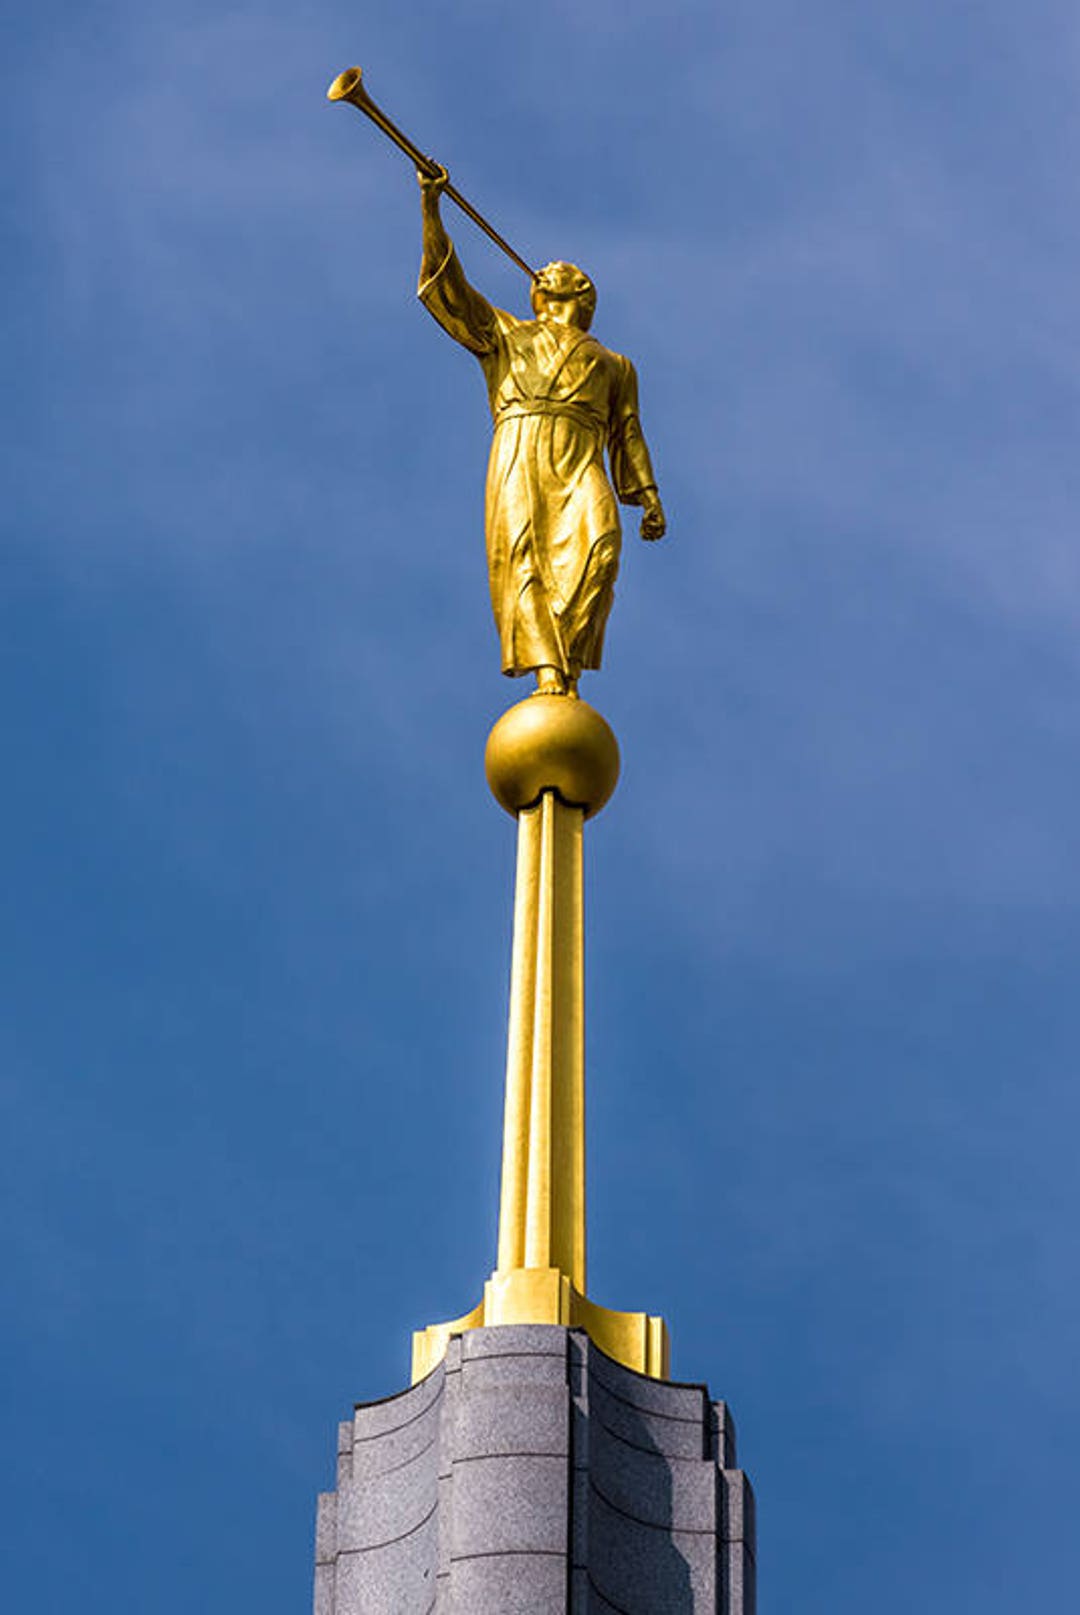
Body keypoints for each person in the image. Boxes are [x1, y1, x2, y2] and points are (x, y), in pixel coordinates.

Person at [418, 165, 666, 697]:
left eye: (560, 268)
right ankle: (551, 673)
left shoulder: (616, 364)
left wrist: (648, 495)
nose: (546, 269)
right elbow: (453, 294)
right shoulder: (508, 333)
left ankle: (570, 658)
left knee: (600, 547)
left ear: (582, 291)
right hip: (522, 444)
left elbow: (628, 432)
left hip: (581, 455)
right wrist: (432, 210)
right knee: (525, 557)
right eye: (546, 267)